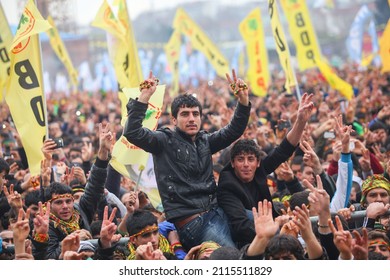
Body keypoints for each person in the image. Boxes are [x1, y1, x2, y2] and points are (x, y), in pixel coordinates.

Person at [123, 70, 250, 250]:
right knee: (231, 259)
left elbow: (233, 131)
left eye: (195, 114)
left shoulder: (204, 141)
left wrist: (243, 101)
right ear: (174, 119)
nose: (191, 119)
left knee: (269, 229)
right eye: (185, 114)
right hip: (194, 223)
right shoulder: (163, 141)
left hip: (218, 212)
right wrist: (144, 97)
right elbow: (133, 133)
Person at [217, 93, 314, 247]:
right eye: (240, 159)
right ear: (233, 163)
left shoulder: (259, 170)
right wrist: (277, 232)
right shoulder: (228, 186)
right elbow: (241, 227)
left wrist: (300, 121)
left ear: (258, 163)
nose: (246, 164)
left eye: (250, 159)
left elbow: (283, 150)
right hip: (248, 242)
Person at [32, 123, 113, 260]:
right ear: (49, 206)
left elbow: (95, 185)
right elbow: (46, 258)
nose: (65, 206)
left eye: (68, 201)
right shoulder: (45, 224)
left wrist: (103, 152)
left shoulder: (80, 211)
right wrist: (74, 239)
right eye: (59, 202)